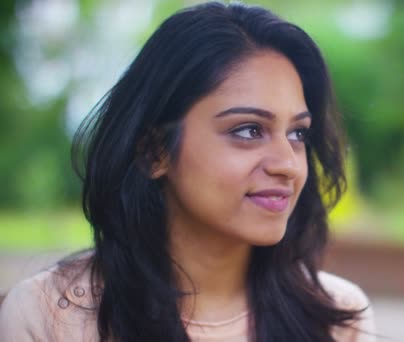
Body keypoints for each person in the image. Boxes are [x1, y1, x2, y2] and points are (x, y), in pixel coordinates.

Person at [0, 2, 375, 341]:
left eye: (297, 134)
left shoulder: (336, 319)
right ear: (154, 152)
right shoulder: (49, 318)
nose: (288, 165)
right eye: (248, 130)